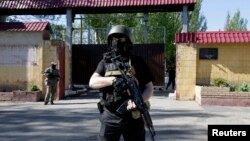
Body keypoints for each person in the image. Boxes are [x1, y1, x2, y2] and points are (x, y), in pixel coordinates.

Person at [89, 25, 154, 141]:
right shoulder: (105, 62)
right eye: (114, 38)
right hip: (110, 116)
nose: (117, 41)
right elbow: (92, 82)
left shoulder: (137, 61)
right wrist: (112, 80)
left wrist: (139, 101)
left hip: (133, 116)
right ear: (110, 40)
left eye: (121, 38)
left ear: (128, 40)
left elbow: (149, 88)